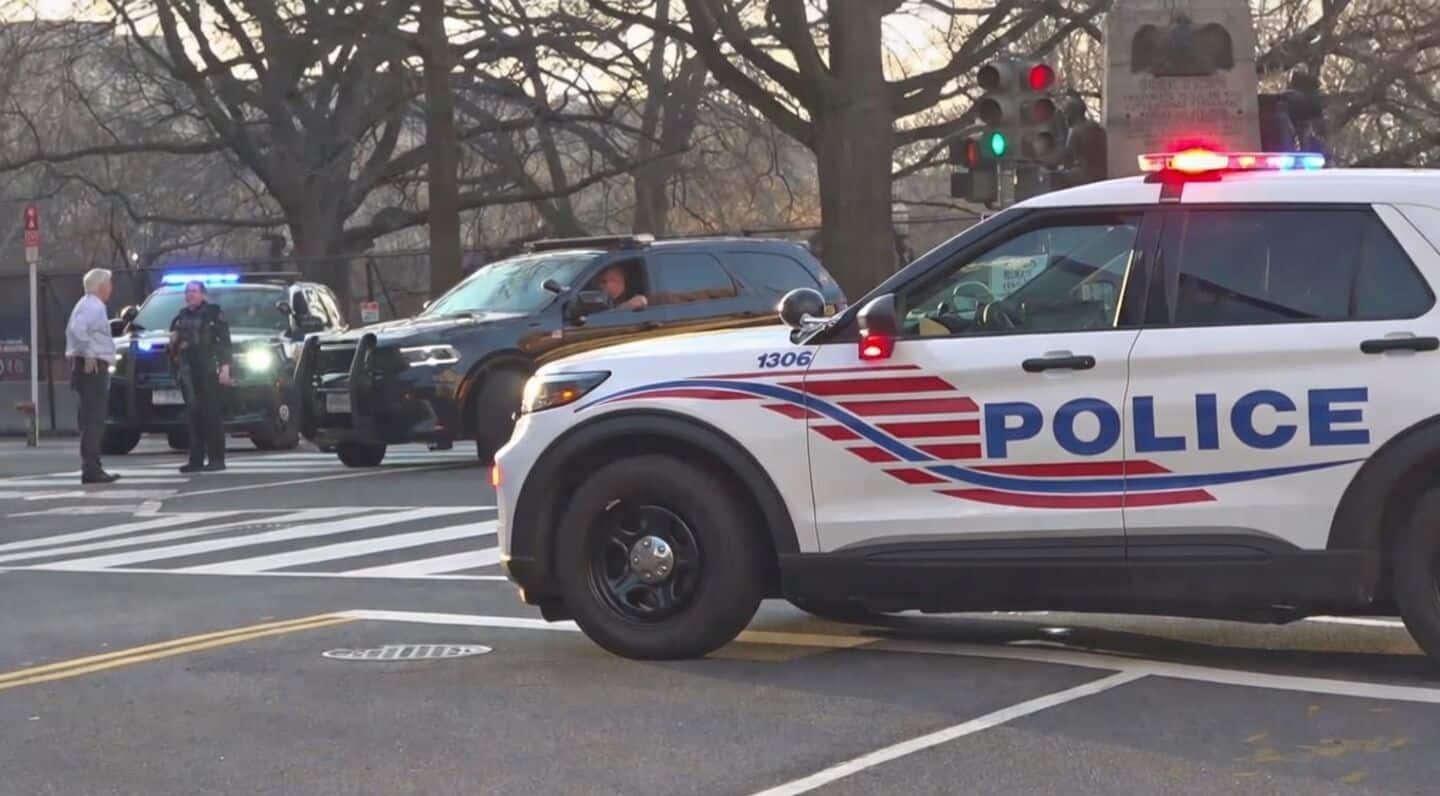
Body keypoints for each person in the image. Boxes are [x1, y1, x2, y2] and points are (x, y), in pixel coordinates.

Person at [65, 268, 122, 485]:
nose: (111, 288)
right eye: (109, 283)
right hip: (92, 368)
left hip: (87, 367)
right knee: (94, 420)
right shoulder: (94, 306)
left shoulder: (86, 303)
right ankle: (91, 469)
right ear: (101, 286)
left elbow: (76, 330)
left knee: (91, 419)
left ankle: (93, 466)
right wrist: (89, 353)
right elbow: (77, 330)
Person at [169, 280, 232, 473]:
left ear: (203, 294)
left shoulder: (213, 314)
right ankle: (195, 460)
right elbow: (173, 346)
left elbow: (225, 344)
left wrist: (225, 368)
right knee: (193, 414)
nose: (190, 295)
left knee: (211, 414)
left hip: (208, 368)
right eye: (188, 291)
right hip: (188, 371)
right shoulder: (180, 317)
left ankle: (216, 459)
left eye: (194, 291)